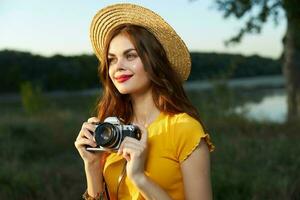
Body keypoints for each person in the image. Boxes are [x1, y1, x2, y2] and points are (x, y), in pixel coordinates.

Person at [74, 3, 215, 200]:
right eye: (112, 59)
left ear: (153, 62)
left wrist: (140, 178)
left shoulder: (185, 129)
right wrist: (92, 166)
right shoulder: (110, 131)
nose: (118, 67)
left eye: (130, 56)